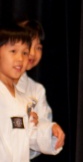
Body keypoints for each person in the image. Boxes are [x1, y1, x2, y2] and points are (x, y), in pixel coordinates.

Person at [0, 23, 62, 161]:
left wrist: (50, 132)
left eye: (24, 53)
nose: (21, 59)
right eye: (13, 51)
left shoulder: (25, 100)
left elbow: (29, 135)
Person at [15, 18, 65, 158]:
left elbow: (41, 124)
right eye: (28, 44)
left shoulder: (37, 90)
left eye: (38, 47)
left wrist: (51, 130)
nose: (32, 53)